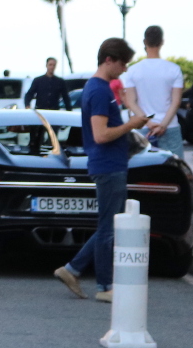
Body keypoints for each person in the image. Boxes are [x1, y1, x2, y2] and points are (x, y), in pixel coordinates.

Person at [54, 38, 148, 302]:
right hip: (109, 165)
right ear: (109, 59)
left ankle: (73, 269)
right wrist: (132, 125)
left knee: (108, 226)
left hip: (109, 164)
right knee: (108, 228)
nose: (124, 69)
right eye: (122, 63)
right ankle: (104, 286)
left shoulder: (98, 89)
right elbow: (101, 134)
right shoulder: (99, 91)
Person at [120, 25, 184, 159]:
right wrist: (162, 125)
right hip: (169, 125)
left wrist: (148, 122)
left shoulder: (133, 70)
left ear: (145, 42)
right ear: (162, 42)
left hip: (143, 127)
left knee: (144, 171)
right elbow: (176, 102)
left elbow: (131, 102)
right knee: (173, 170)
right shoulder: (174, 69)